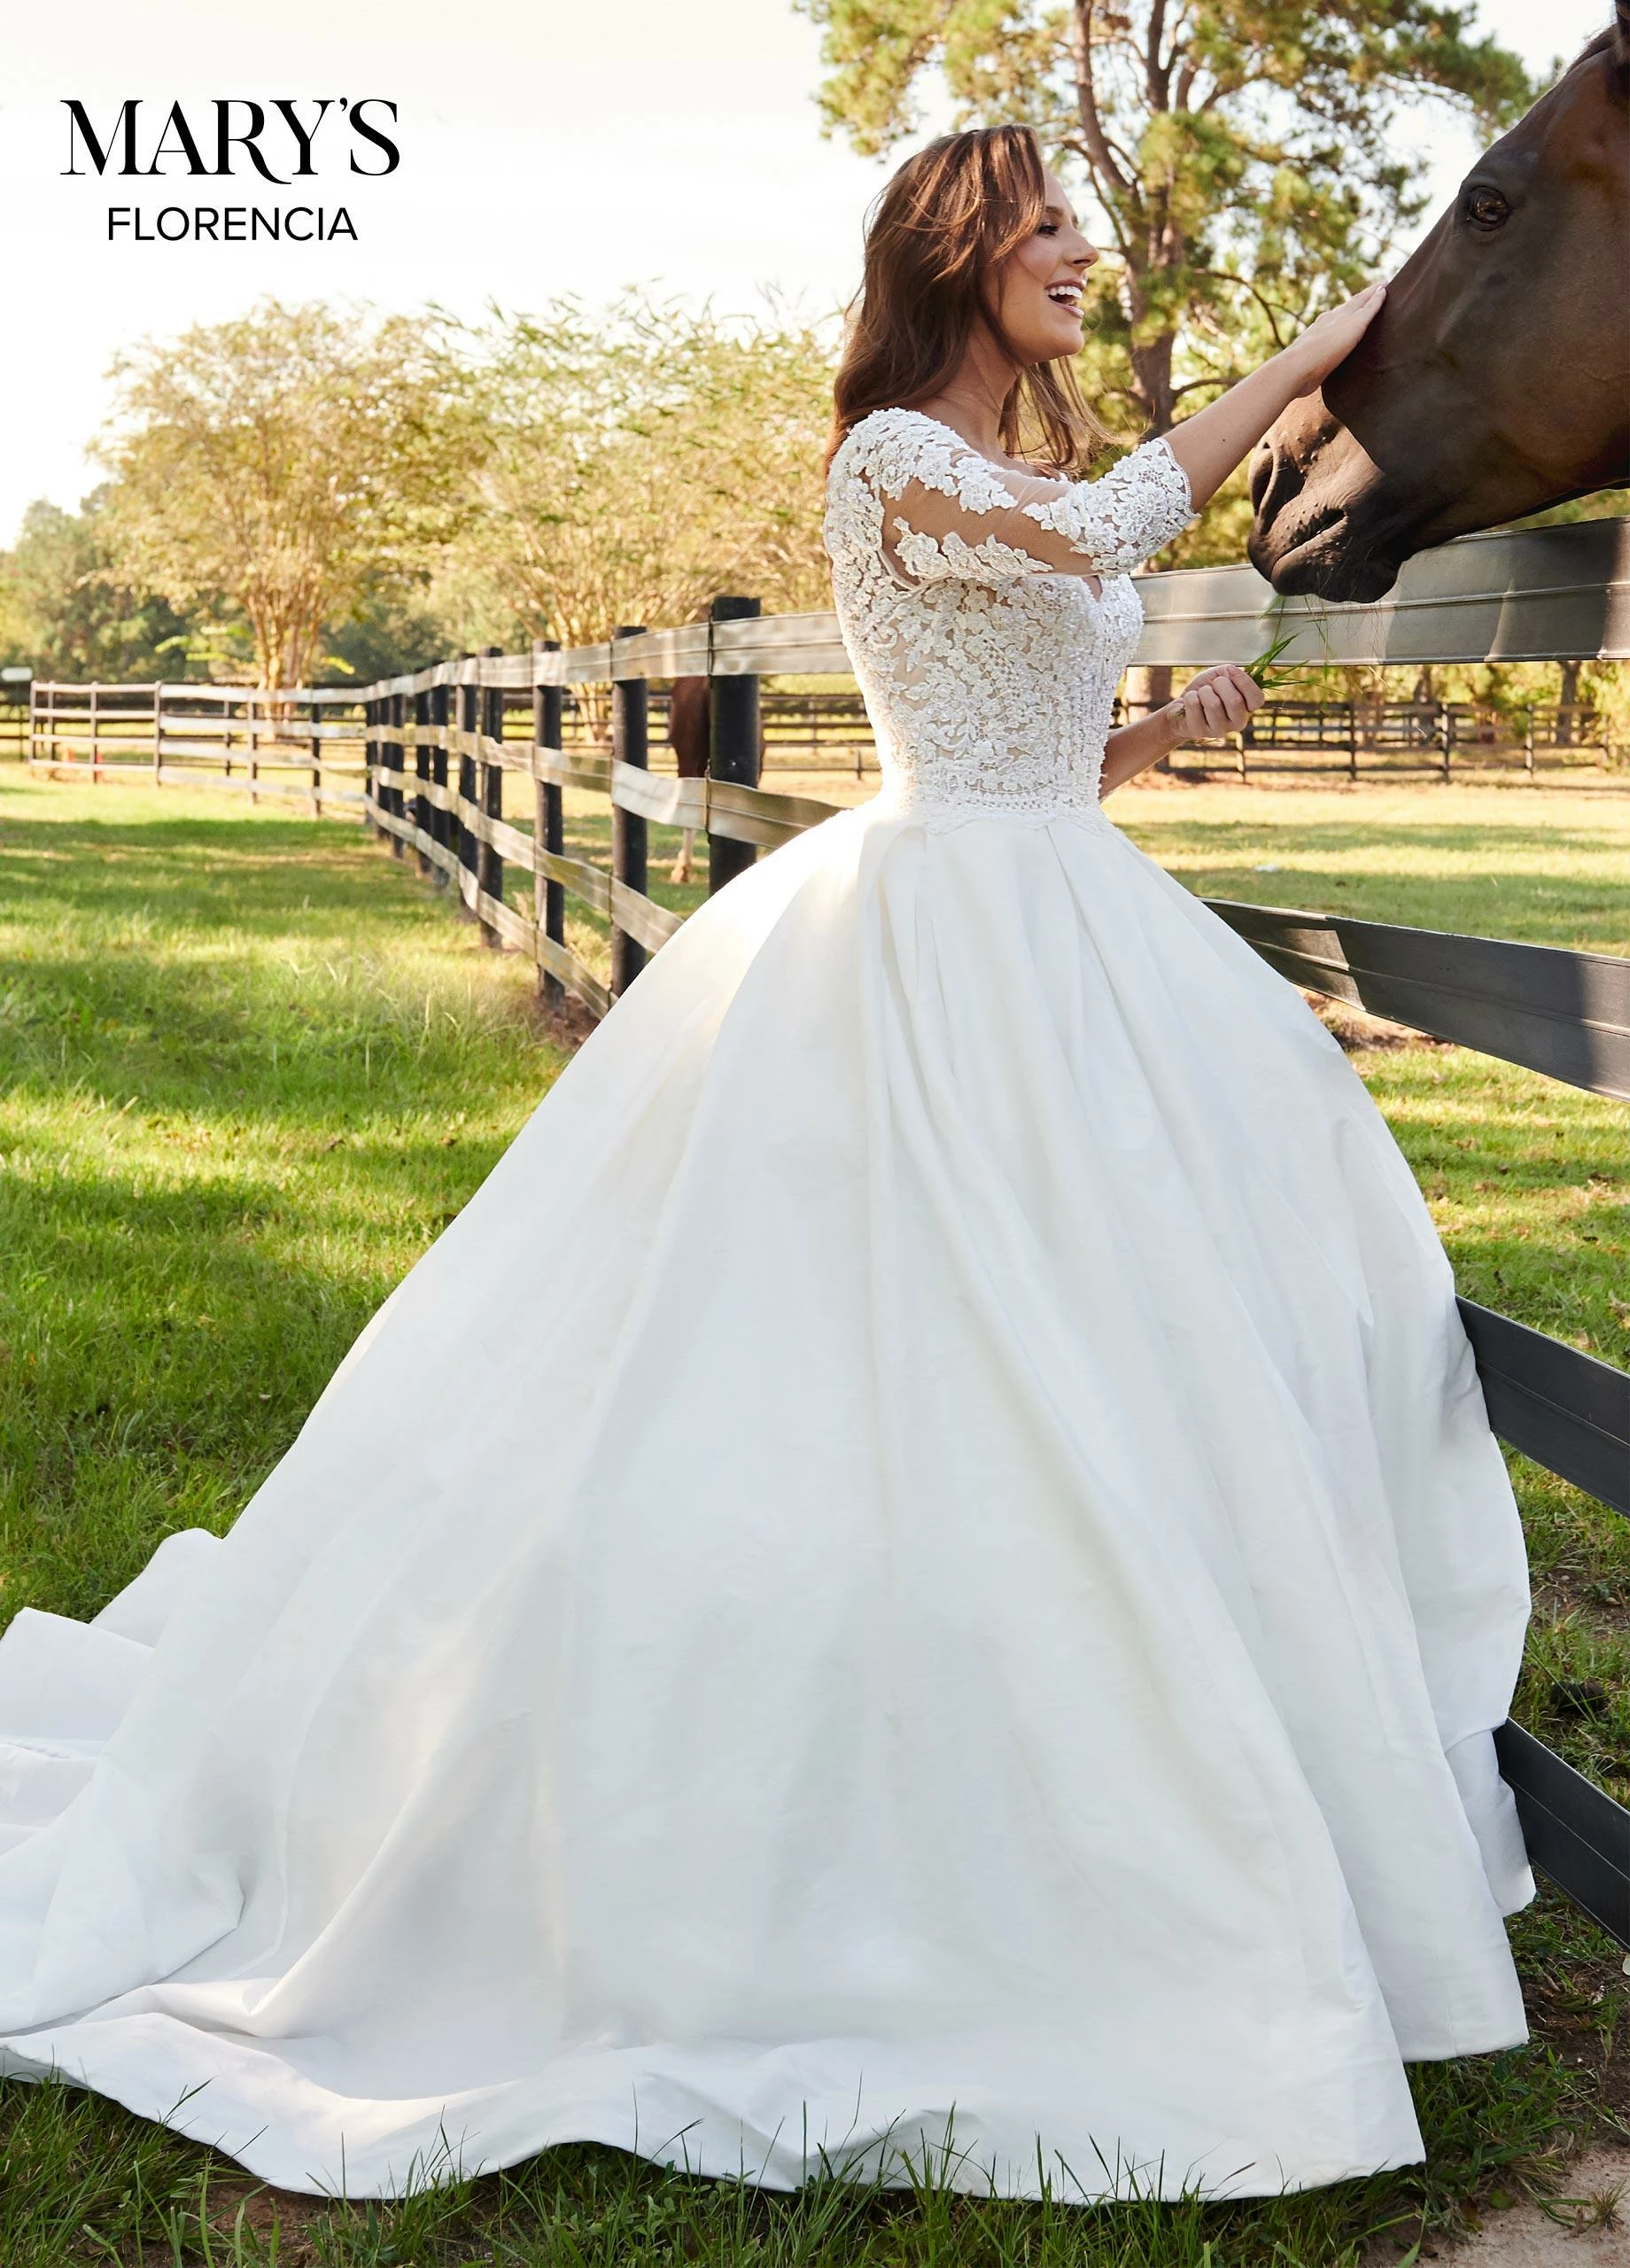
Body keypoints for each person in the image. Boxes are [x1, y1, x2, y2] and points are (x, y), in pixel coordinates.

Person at [0, 124, 1530, 2205]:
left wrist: (1162, 746)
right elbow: (1098, 529)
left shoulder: (983, 479)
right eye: (1045, 224)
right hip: (920, 961)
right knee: (880, 1380)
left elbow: (1031, 728)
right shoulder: (892, 457)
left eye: (1079, 222)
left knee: (1127, 1369)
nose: (1078, 252)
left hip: (1057, 920)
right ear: (951, 253)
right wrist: (1324, 341)